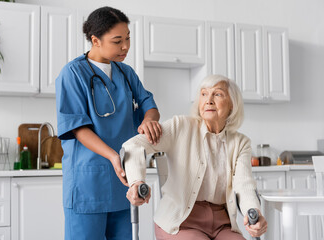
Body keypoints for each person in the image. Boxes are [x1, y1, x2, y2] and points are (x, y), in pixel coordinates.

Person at [55, 6, 162, 240]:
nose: (125, 47)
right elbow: (78, 128)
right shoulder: (72, 73)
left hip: (123, 182)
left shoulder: (126, 73)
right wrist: (113, 156)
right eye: (117, 41)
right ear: (95, 40)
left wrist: (148, 121)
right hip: (88, 183)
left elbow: (149, 104)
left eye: (128, 39)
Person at [123, 74, 268, 240]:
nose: (209, 100)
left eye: (218, 94)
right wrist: (136, 182)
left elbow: (244, 185)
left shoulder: (240, 142)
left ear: (232, 105)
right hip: (180, 220)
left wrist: (254, 212)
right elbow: (133, 146)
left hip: (222, 223)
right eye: (204, 94)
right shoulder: (181, 127)